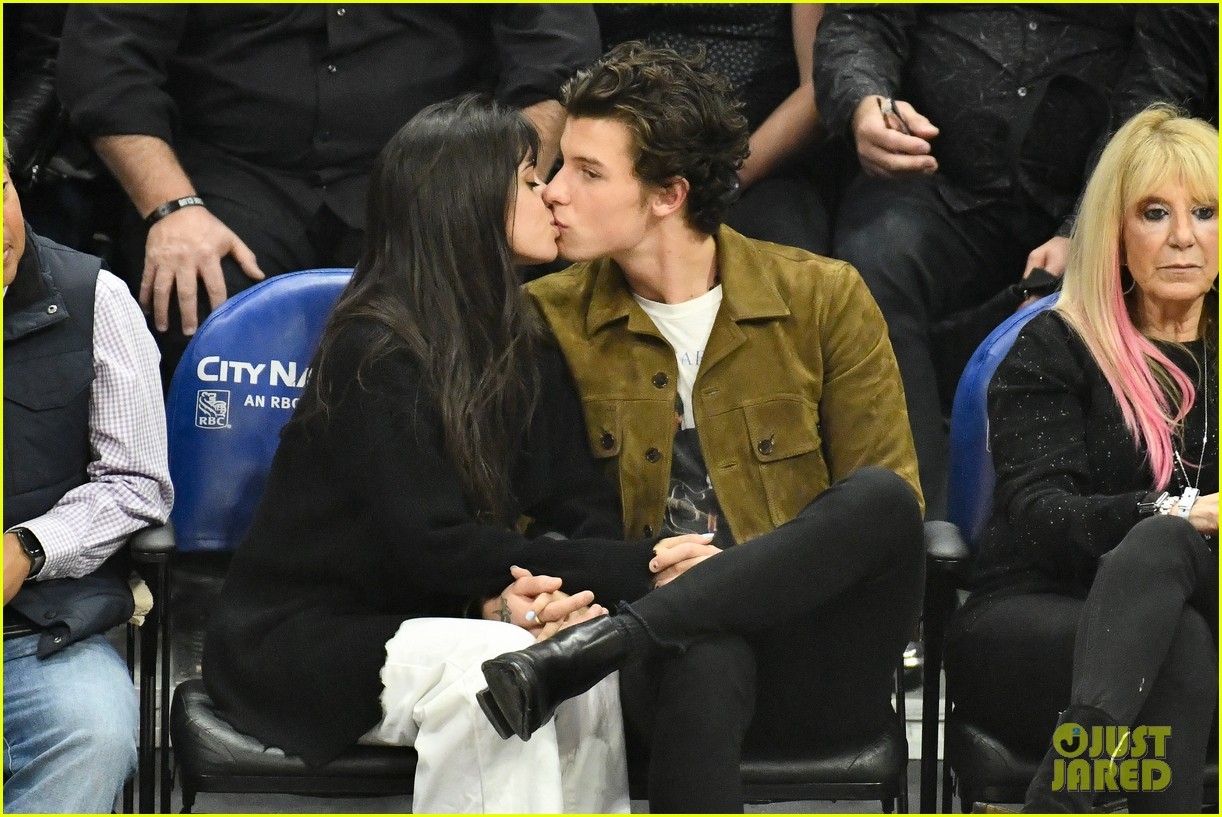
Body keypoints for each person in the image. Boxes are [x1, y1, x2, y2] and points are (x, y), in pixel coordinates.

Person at [201, 95, 713, 814]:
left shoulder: (520, 337)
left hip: (444, 615)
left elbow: (579, 500)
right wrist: (645, 567)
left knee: (578, 652)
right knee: (495, 671)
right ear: (468, 201)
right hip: (307, 638)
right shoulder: (374, 348)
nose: (551, 195)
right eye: (531, 181)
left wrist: (561, 597)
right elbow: (431, 543)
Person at [477, 43, 925, 813]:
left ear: (668, 194)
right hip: (654, 671)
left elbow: (885, 516)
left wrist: (728, 570)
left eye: (588, 172)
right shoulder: (544, 320)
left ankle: (635, 630)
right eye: (558, 166)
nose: (552, 192)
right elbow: (518, 525)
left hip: (812, 656)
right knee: (706, 652)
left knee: (881, 497)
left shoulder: (823, 297)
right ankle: (635, 634)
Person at [813, 4, 1218, 520]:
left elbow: (1165, 74)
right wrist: (864, 102)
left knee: (1129, 265)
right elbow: (861, 19)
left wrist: (1084, 226)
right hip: (933, 179)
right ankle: (918, 525)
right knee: (874, 263)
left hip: (1091, 192)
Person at [56, 4, 599, 383]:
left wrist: (497, 190)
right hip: (225, 177)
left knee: (454, 302)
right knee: (194, 290)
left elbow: (556, 56)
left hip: (427, 174)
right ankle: (205, 511)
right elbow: (105, 61)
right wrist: (172, 207)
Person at [944, 105, 1217, 813]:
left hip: (1203, 605)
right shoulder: (1055, 348)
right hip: (1040, 616)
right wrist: (1176, 512)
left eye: (1206, 212)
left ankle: (1063, 796)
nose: (1183, 237)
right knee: (1174, 612)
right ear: (1115, 233)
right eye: (1155, 213)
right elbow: (1041, 518)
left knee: (1176, 596)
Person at [3, 141, 173, 812]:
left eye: (1, 189)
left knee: (93, 732)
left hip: (35, 627)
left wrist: (28, 547)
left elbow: (135, 482)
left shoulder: (95, 298)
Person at [596, 4, 834, 255]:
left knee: (784, 255)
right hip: (621, 150)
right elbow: (574, 55)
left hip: (753, 160)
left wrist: (729, 177)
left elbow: (816, 88)